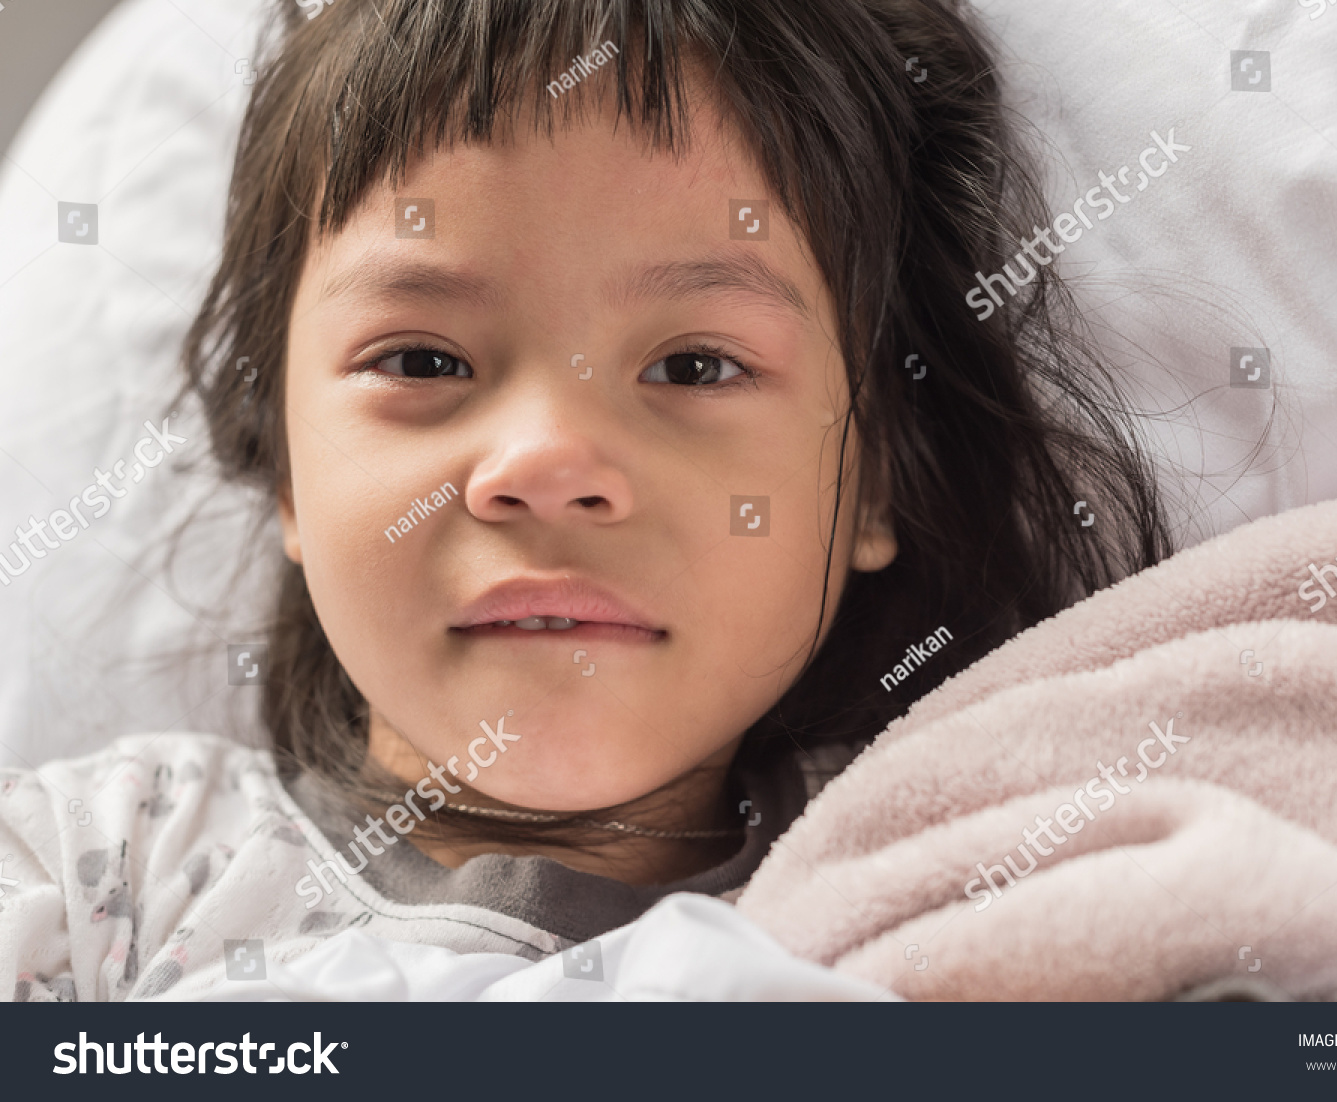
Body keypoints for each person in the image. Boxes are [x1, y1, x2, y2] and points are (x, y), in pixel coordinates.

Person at [1, 0, 1169, 1001]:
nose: (548, 463)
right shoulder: (95, 868)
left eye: (695, 366)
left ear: (873, 475)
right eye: (423, 361)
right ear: (288, 471)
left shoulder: (961, 872)